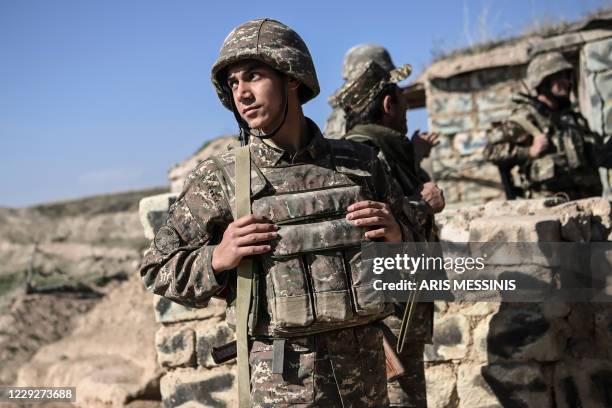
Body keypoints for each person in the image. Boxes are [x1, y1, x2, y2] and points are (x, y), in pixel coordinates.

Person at [140, 18, 420, 407]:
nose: (242, 93)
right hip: (284, 387)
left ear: (292, 77)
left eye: (253, 76)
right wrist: (217, 258)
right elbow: (157, 269)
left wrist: (398, 239)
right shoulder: (221, 179)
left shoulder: (362, 164)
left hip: (367, 381)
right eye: (233, 83)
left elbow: (421, 264)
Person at [332, 48, 446, 408]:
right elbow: (366, 222)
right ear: (387, 103)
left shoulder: (384, 147)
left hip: (402, 304)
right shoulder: (362, 150)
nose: (407, 109)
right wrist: (422, 204)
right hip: (388, 309)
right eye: (402, 100)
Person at [484, 51, 611, 200]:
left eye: (566, 76)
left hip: (585, 205)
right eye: (559, 77)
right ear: (543, 81)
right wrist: (529, 152)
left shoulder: (572, 119)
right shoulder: (526, 118)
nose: (567, 82)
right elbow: (490, 151)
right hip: (548, 211)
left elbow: (594, 155)